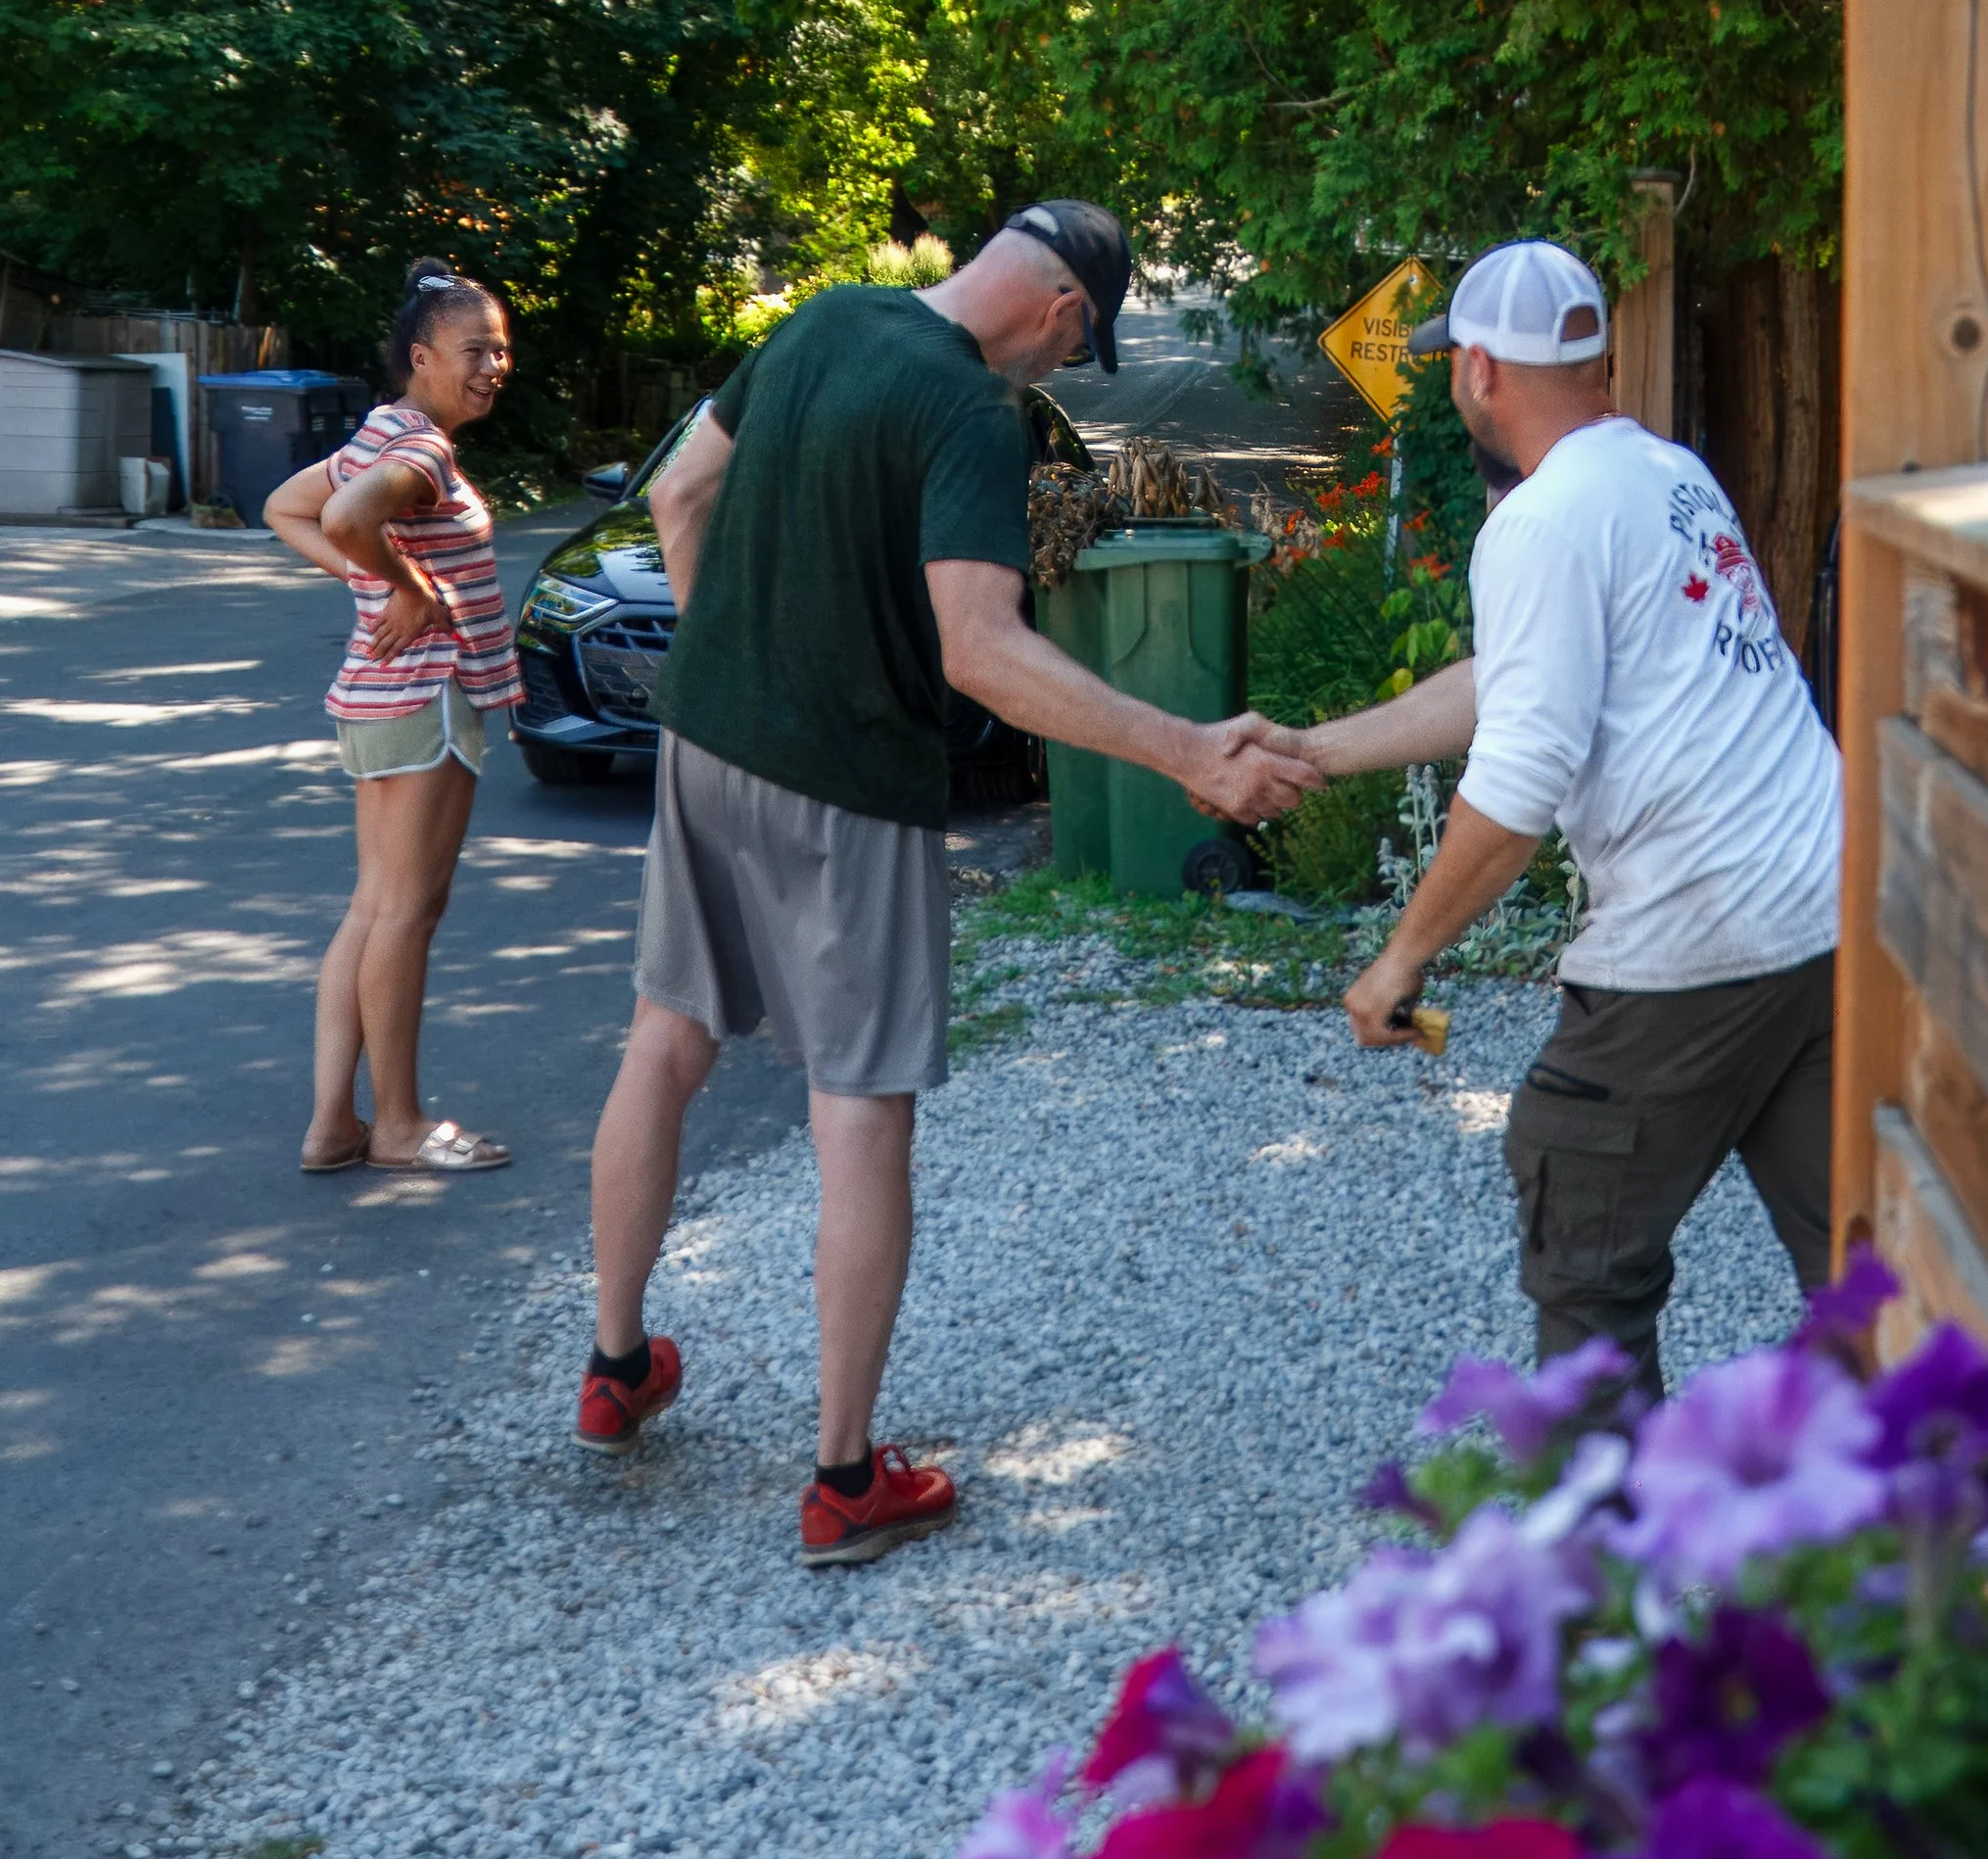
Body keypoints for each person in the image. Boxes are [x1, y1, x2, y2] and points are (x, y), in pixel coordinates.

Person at [579, 201, 1318, 1563]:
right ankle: (844, 1476)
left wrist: (740, 665)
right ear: (1061, 312)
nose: (1052, 375)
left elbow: (680, 492)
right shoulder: (971, 410)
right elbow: (977, 649)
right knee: (859, 1111)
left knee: (663, 1037)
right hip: (851, 788)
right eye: (1068, 353)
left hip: (704, 738)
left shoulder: (818, 317)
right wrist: (1183, 751)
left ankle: (616, 1367)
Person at [1289, 238, 1842, 1393]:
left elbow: (1520, 779)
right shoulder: (1664, 474)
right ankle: (1945, 1519)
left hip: (1693, 938)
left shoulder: (1540, 522)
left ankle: (1602, 1558)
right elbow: (1521, 677)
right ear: (1594, 356)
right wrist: (1312, 751)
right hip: (1822, 916)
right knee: (1865, 1268)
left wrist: (1398, 960)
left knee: (1583, 1242)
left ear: (1478, 371)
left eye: (1453, 364)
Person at [265, 262, 521, 1176]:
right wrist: (409, 587)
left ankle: (335, 1125)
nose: (494, 365)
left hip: (377, 702)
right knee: (408, 912)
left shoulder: (381, 429)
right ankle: (401, 1125)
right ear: (421, 356)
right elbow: (339, 518)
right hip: (427, 700)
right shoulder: (423, 452)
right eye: (474, 350)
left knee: (375, 908)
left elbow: (284, 506)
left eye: (501, 350)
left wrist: (376, 581)